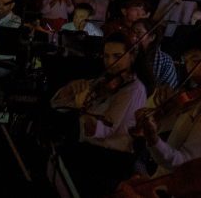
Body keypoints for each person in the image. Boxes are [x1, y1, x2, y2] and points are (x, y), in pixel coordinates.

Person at [130, 24, 201, 178]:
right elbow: (163, 125)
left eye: (195, 61)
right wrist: (158, 106)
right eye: (187, 62)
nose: (190, 69)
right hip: (162, 174)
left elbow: (185, 163)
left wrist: (154, 142)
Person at [50, 30, 150, 197]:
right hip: (89, 153)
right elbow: (57, 105)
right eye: (106, 56)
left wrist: (85, 112)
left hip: (111, 161)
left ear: (132, 56)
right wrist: (70, 88)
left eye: (117, 56)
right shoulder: (103, 82)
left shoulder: (134, 89)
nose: (110, 62)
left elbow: (104, 131)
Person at [131, 19, 178, 89]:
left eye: (139, 32)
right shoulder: (129, 56)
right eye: (132, 32)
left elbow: (166, 89)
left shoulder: (165, 60)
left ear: (151, 37)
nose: (134, 36)